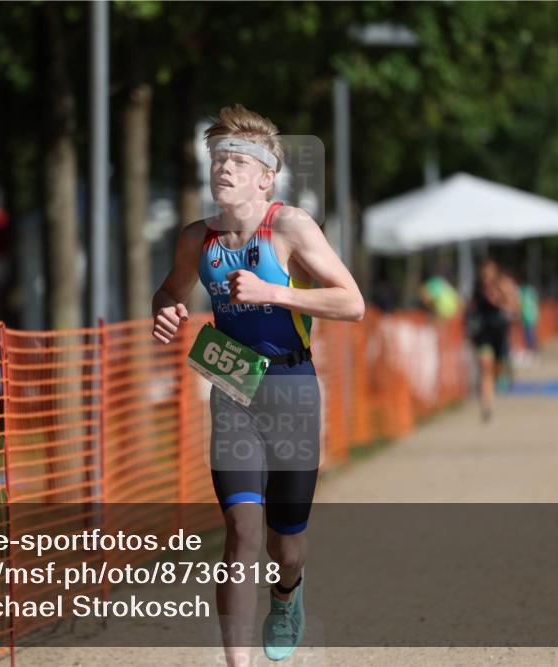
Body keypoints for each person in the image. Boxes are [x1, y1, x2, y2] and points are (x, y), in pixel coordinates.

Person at [151, 104, 364, 665]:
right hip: (233, 384)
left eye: (238, 161)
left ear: (266, 177)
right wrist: (165, 309)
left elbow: (353, 302)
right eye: (218, 159)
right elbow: (170, 290)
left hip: (293, 386)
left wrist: (274, 293)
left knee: (284, 545)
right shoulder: (197, 239)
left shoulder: (290, 227)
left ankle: (287, 593)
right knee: (241, 532)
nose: (224, 168)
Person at [466, 258, 517, 422]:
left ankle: (504, 374)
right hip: (484, 334)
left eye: (490, 272)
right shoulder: (477, 289)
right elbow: (470, 309)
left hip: (500, 333)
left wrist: (501, 299)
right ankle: (486, 405)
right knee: (485, 368)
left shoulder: (502, 286)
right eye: (484, 273)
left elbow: (514, 307)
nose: (487, 276)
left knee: (498, 372)